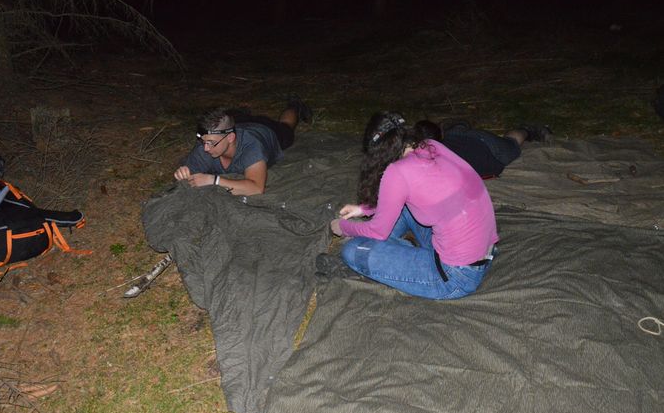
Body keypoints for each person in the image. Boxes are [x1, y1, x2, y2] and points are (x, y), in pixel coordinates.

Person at [326, 111, 498, 300]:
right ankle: (398, 251)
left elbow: (378, 231)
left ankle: (399, 253)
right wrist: (363, 209)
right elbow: (408, 192)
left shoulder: (397, 172)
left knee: (352, 250)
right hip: (483, 253)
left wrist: (343, 227)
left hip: (455, 277)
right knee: (403, 209)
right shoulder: (431, 146)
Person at [174, 97, 311, 196]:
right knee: (230, 120)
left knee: (286, 128)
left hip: (264, 130)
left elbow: (256, 188)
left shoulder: (252, 146)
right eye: (203, 141)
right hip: (238, 123)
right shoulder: (205, 146)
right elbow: (189, 179)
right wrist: (183, 175)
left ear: (230, 138)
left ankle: (295, 105)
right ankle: (240, 113)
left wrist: (214, 180)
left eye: (211, 143)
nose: (206, 148)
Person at [412, 119, 552, 179]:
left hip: (489, 150)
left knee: (511, 142)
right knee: (510, 142)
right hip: (473, 142)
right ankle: (457, 125)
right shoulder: (428, 156)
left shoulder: (425, 164)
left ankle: (528, 130)